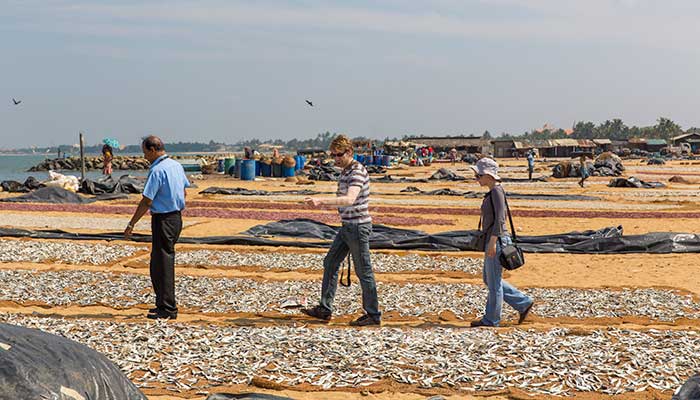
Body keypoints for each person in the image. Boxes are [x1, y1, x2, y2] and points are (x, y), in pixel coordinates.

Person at [301, 134, 381, 326]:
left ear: (349, 152)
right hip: (347, 227)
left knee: (364, 271)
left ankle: (373, 314)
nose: (336, 159)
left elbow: (349, 199)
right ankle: (325, 308)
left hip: (358, 227)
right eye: (333, 155)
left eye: (339, 155)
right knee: (330, 262)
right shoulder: (346, 171)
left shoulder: (357, 172)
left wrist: (321, 200)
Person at [124, 136, 190, 320]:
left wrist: (132, 223)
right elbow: (184, 191)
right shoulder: (176, 166)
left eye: (145, 152)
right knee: (157, 263)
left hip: (163, 219)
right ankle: (161, 303)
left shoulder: (157, 171)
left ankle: (168, 309)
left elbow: (147, 200)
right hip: (176, 218)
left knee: (164, 264)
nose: (145, 157)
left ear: (153, 150)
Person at [470, 157, 534, 327]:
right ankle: (523, 302)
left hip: (496, 239)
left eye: (479, 175)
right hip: (495, 239)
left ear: (489, 176)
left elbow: (500, 218)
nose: (477, 179)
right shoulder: (493, 191)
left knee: (494, 283)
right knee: (489, 279)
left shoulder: (497, 191)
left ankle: (491, 319)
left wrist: (492, 242)